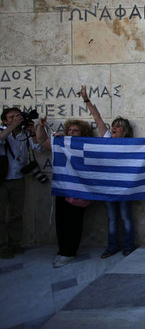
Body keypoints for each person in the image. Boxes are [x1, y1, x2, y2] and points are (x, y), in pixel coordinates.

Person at [80, 86, 136, 258]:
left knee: (125, 217)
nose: (113, 128)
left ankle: (128, 246)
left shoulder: (131, 144)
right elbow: (97, 118)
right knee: (112, 219)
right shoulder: (106, 138)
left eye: (118, 127)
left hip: (123, 187)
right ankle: (112, 247)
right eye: (113, 125)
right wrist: (86, 100)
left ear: (124, 131)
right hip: (107, 186)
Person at [36, 117, 93, 268]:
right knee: (61, 220)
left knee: (74, 221)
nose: (71, 132)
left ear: (83, 133)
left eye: (76, 131)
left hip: (79, 189)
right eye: (70, 130)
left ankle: (69, 252)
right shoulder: (62, 143)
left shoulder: (87, 145)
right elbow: (41, 141)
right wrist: (41, 127)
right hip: (63, 187)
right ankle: (62, 250)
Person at [0, 108, 43, 259]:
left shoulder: (24, 134)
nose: (17, 119)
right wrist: (11, 127)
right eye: (12, 117)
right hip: (2, 179)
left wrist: (33, 131)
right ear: (5, 121)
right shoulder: (2, 131)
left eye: (18, 116)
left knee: (16, 214)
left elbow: (38, 147)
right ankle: (2, 246)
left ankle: (14, 242)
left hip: (18, 178)